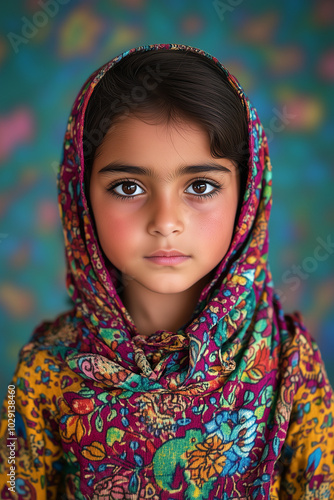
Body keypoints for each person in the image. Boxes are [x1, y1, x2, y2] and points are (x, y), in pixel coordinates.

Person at [0, 43, 333, 500]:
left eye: (200, 186)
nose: (165, 220)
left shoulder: (290, 364)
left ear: (247, 194)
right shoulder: (42, 372)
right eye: (128, 186)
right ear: (81, 196)